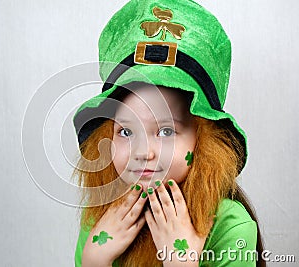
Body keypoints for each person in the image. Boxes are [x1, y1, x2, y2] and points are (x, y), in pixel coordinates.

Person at [72, 0, 265, 266]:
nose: (144, 153)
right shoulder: (101, 221)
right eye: (126, 132)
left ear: (203, 140)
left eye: (166, 130)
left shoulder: (232, 227)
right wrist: (95, 259)